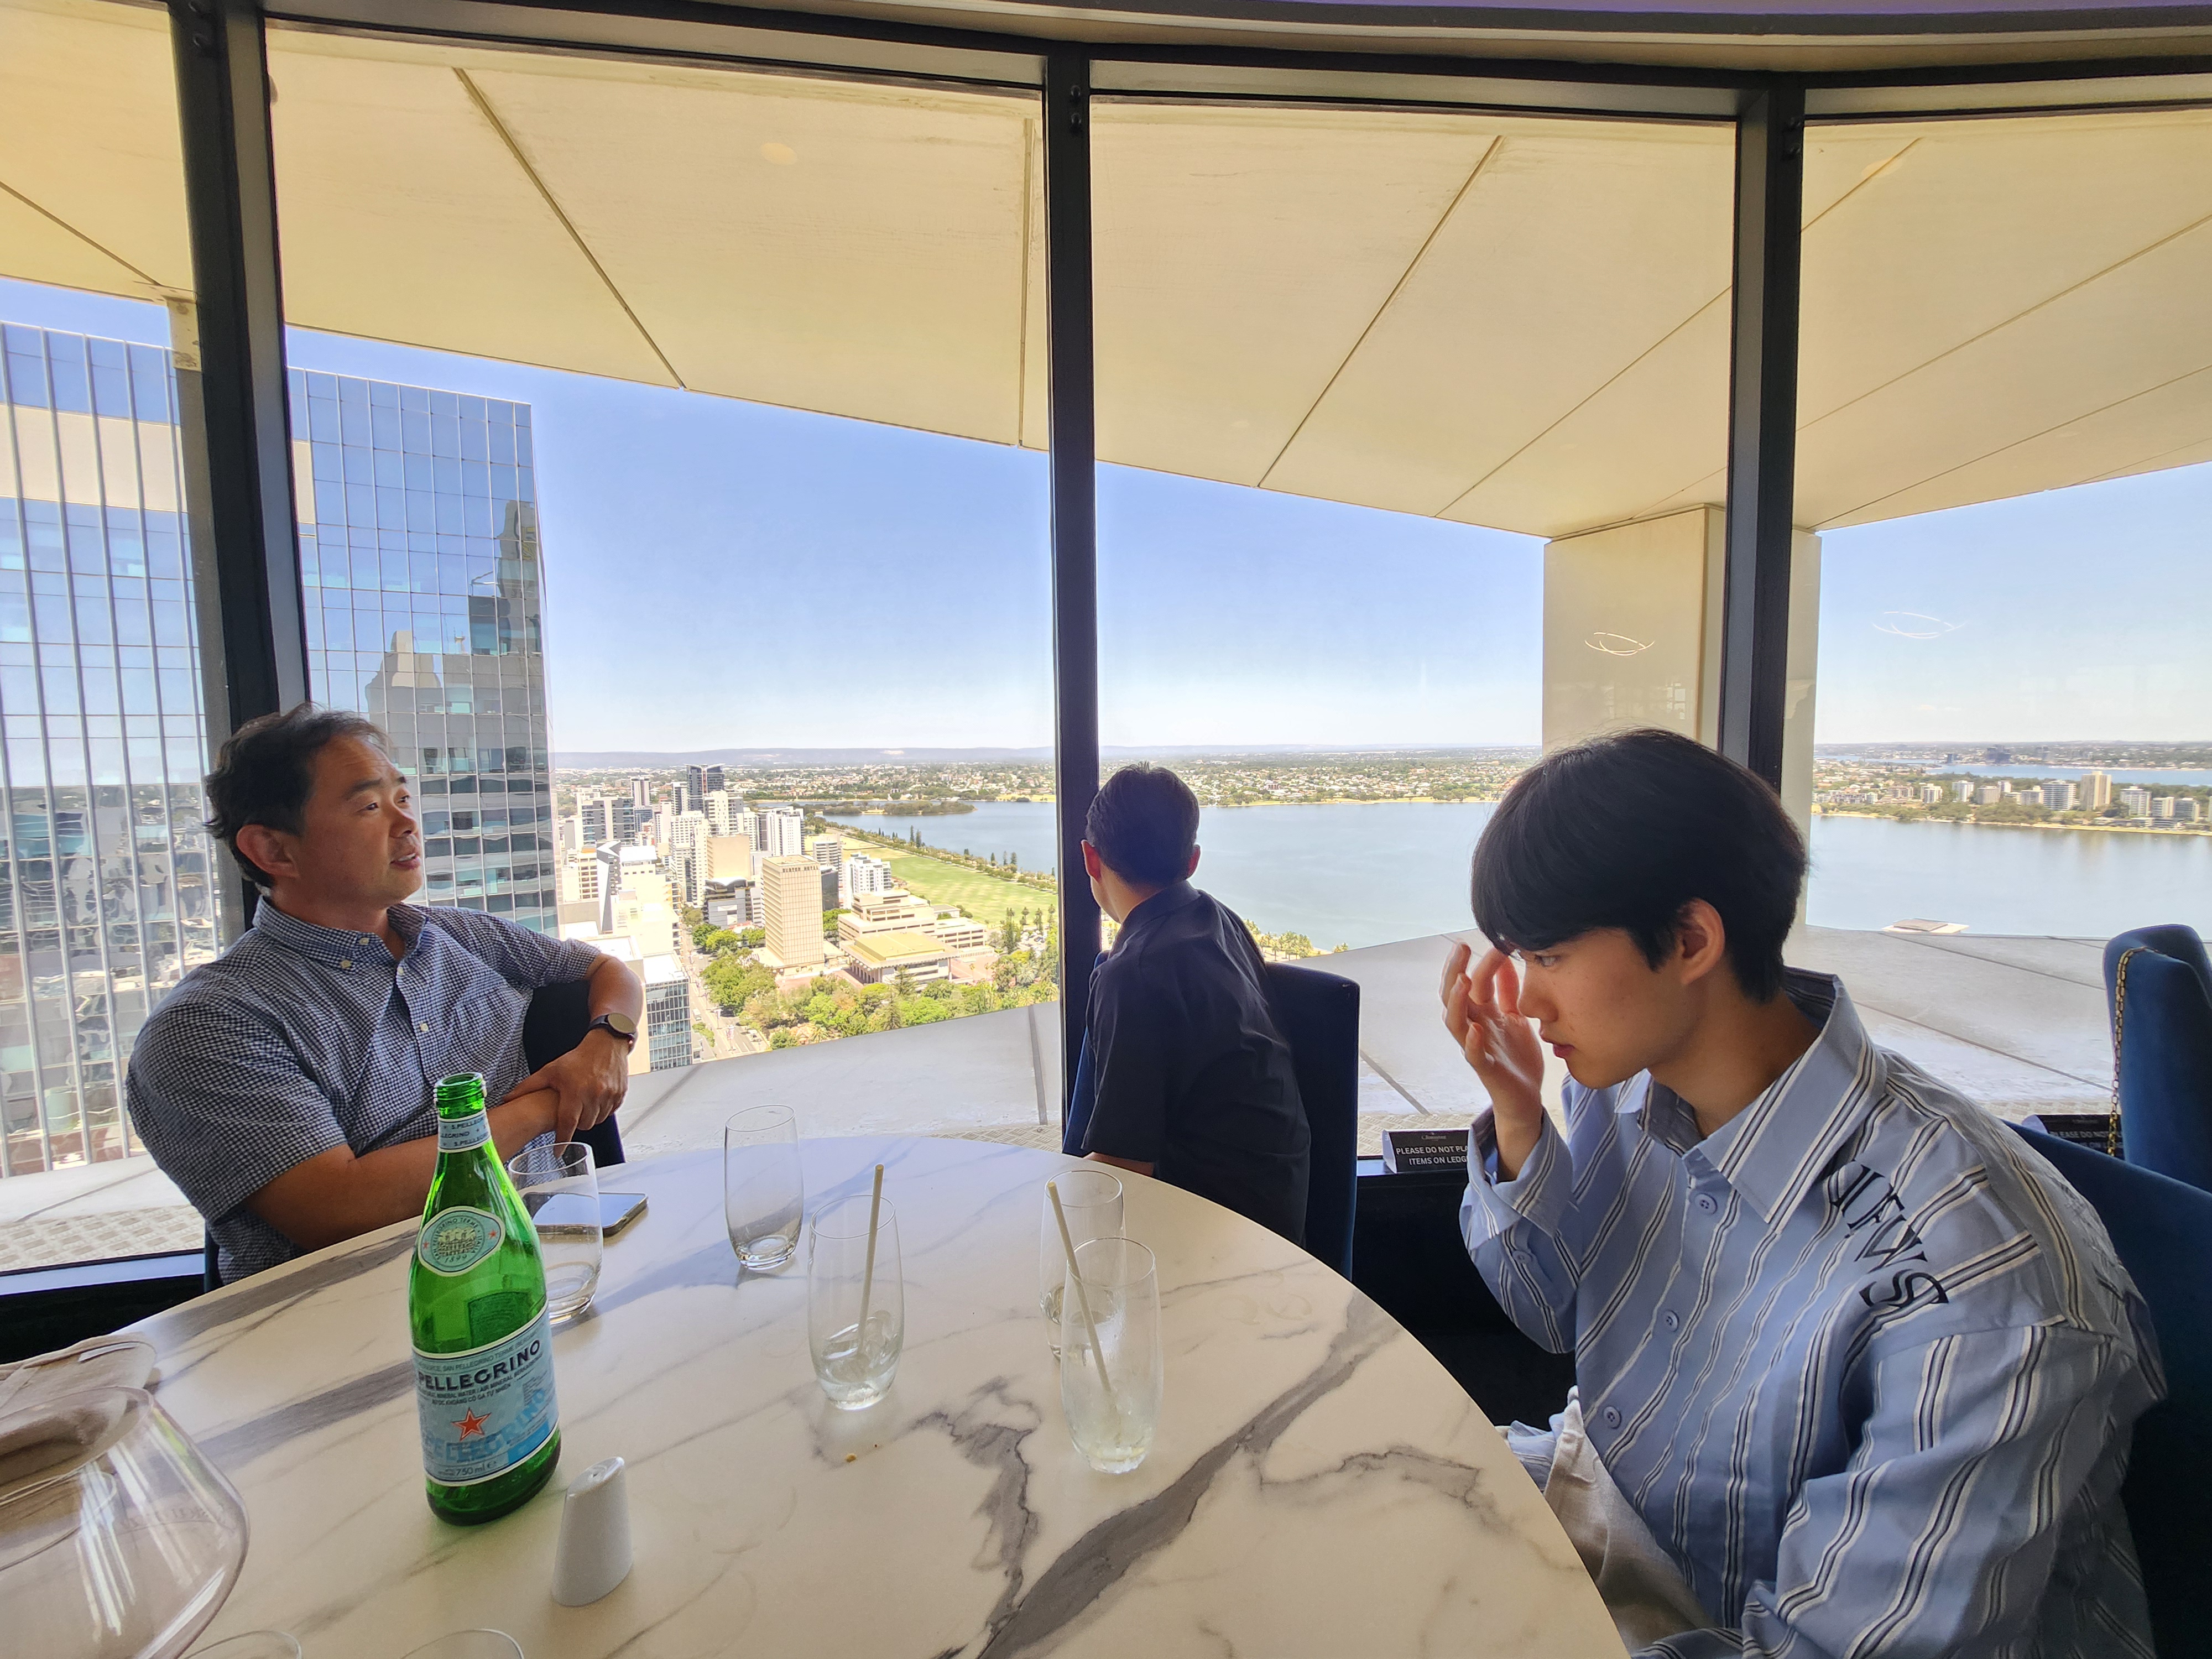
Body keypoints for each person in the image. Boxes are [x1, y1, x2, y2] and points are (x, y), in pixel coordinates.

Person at [1442, 727, 2159, 1657]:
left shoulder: (1985, 1297)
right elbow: (1551, 1314)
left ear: (1691, 941)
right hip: (1615, 1500)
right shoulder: (1623, 1087)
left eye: (1548, 958)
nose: (1526, 1003)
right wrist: (1518, 1116)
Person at [129, 706, 643, 1283]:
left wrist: (606, 1041)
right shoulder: (212, 1023)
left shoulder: (456, 936)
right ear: (274, 851)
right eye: (370, 807)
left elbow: (605, 969)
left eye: (402, 798)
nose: (407, 824)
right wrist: (555, 1101)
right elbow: (338, 1207)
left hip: (549, 1266)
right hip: (353, 1314)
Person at [1066, 763, 1310, 1245]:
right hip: (1275, 1213)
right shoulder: (1219, 919)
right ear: (1192, 860)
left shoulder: (1133, 974)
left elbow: (1122, 1170)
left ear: (1091, 859)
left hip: (1212, 1236)